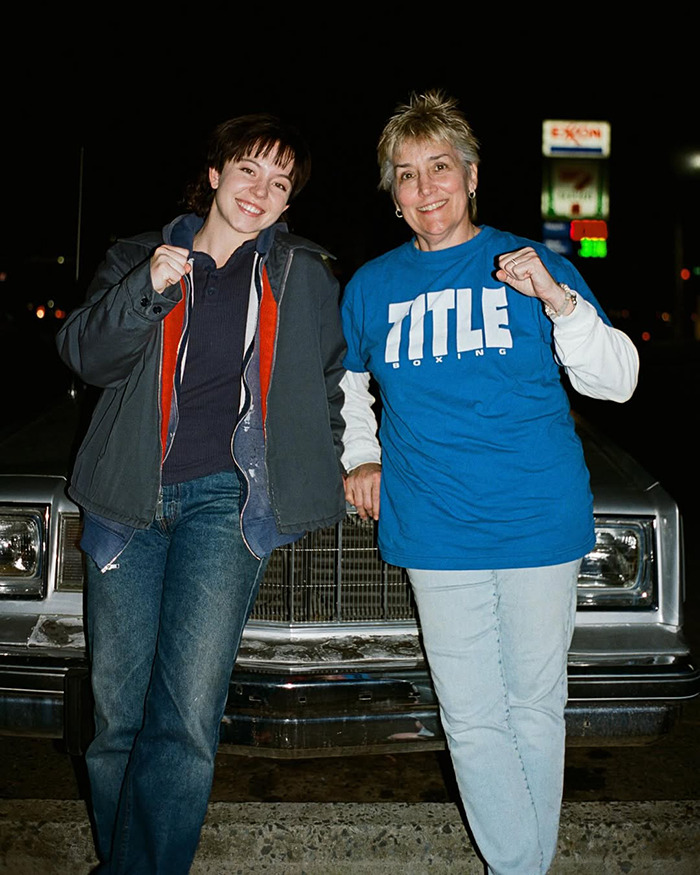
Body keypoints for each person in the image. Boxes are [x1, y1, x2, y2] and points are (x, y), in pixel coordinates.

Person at [339, 90, 639, 875]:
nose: (425, 187)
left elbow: (618, 380)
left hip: (539, 518)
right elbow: (348, 386)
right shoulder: (372, 286)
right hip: (435, 526)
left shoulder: (529, 262)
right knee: (470, 717)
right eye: (406, 174)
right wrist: (360, 457)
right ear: (393, 194)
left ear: (471, 176)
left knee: (536, 708)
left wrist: (558, 298)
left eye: (440, 167)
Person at [56, 113, 347, 874]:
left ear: (288, 205)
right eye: (249, 170)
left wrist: (336, 459)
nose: (262, 190)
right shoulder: (136, 257)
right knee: (117, 719)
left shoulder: (301, 272)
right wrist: (148, 288)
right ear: (215, 174)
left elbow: (330, 382)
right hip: (128, 500)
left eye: (280, 183)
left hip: (228, 501)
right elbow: (85, 354)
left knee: (184, 718)